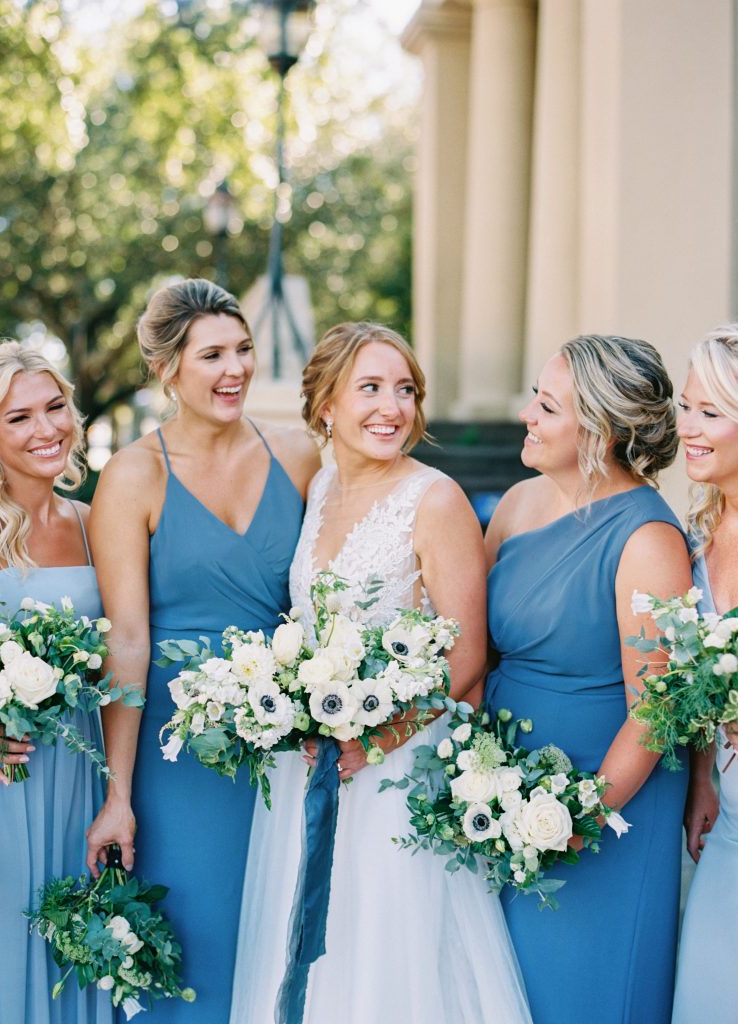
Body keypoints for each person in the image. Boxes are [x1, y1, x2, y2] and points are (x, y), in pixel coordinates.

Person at [230, 322, 531, 1024]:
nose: (391, 408)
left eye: (405, 390)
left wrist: (376, 740)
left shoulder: (435, 499)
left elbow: (467, 654)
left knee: (388, 952)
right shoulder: (320, 488)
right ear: (326, 404)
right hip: (309, 764)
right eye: (370, 388)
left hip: (396, 767)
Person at [84, 279, 319, 1023]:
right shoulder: (133, 475)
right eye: (212, 355)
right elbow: (127, 640)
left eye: (243, 350)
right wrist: (118, 794)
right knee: (193, 945)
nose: (236, 369)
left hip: (286, 742)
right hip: (176, 752)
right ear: (167, 369)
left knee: (280, 942)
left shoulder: (300, 455)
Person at [484, 335, 692, 1024]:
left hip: (604, 796)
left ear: (599, 432)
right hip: (499, 788)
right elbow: (476, 648)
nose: (526, 415)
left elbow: (656, 711)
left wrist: (579, 819)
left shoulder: (647, 539)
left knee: (581, 991)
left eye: (547, 407)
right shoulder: (518, 503)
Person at [0, 341, 112, 1024]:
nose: (46, 429)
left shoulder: (92, 524)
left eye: (55, 407)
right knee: (3, 936)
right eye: (19, 417)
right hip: (0, 771)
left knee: (71, 939)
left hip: (80, 768)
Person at [672, 325, 738, 1024]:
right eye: (686, 407)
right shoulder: (699, 536)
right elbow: (696, 680)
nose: (687, 428)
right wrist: (700, 779)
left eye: (709, 412)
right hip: (731, 828)